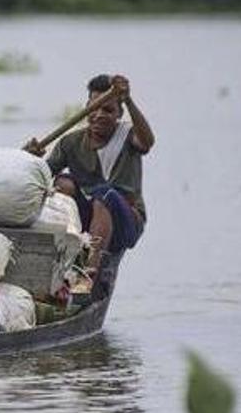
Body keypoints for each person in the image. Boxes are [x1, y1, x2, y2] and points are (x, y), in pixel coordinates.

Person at [26, 74, 154, 294]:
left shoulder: (128, 136)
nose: (99, 116)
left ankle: (90, 270)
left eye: (108, 110)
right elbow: (44, 176)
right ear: (86, 108)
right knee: (62, 184)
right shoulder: (71, 142)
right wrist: (31, 159)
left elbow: (147, 142)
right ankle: (66, 254)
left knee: (104, 194)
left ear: (120, 114)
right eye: (94, 108)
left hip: (125, 222)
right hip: (88, 222)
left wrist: (129, 100)